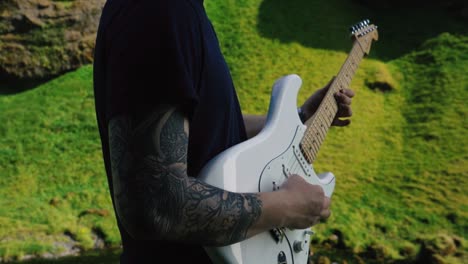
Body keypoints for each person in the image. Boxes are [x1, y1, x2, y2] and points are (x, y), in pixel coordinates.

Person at [93, 0, 354, 263]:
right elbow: (158, 203)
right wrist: (288, 207)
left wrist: (298, 117)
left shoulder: (180, 12)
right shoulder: (161, 10)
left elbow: (203, 126)